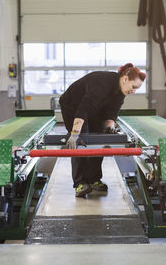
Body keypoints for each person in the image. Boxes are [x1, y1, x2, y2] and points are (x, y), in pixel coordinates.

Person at [59, 63, 146, 197]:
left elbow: (111, 114)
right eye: (133, 87)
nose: (133, 91)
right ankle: (80, 183)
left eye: (136, 89)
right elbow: (84, 108)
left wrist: (110, 129)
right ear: (125, 79)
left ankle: (94, 179)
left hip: (95, 109)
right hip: (73, 106)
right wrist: (75, 134)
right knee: (81, 140)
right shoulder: (102, 82)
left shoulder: (121, 93)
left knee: (99, 138)